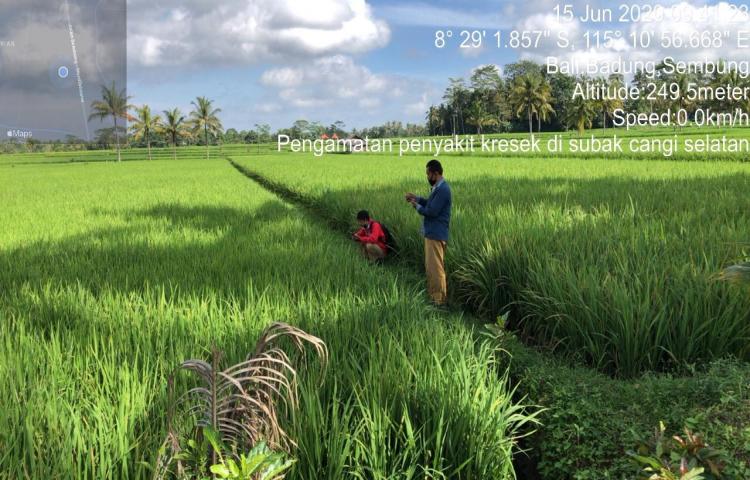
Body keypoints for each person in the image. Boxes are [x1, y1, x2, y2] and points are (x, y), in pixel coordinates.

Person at [405, 159, 452, 306]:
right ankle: (433, 296)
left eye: (428, 174)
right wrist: (417, 198)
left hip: (436, 234)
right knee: (431, 267)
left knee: (436, 268)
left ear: (435, 173)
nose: (427, 177)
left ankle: (439, 301)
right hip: (432, 233)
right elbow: (430, 203)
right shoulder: (438, 188)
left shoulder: (443, 190)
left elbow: (432, 211)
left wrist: (416, 206)